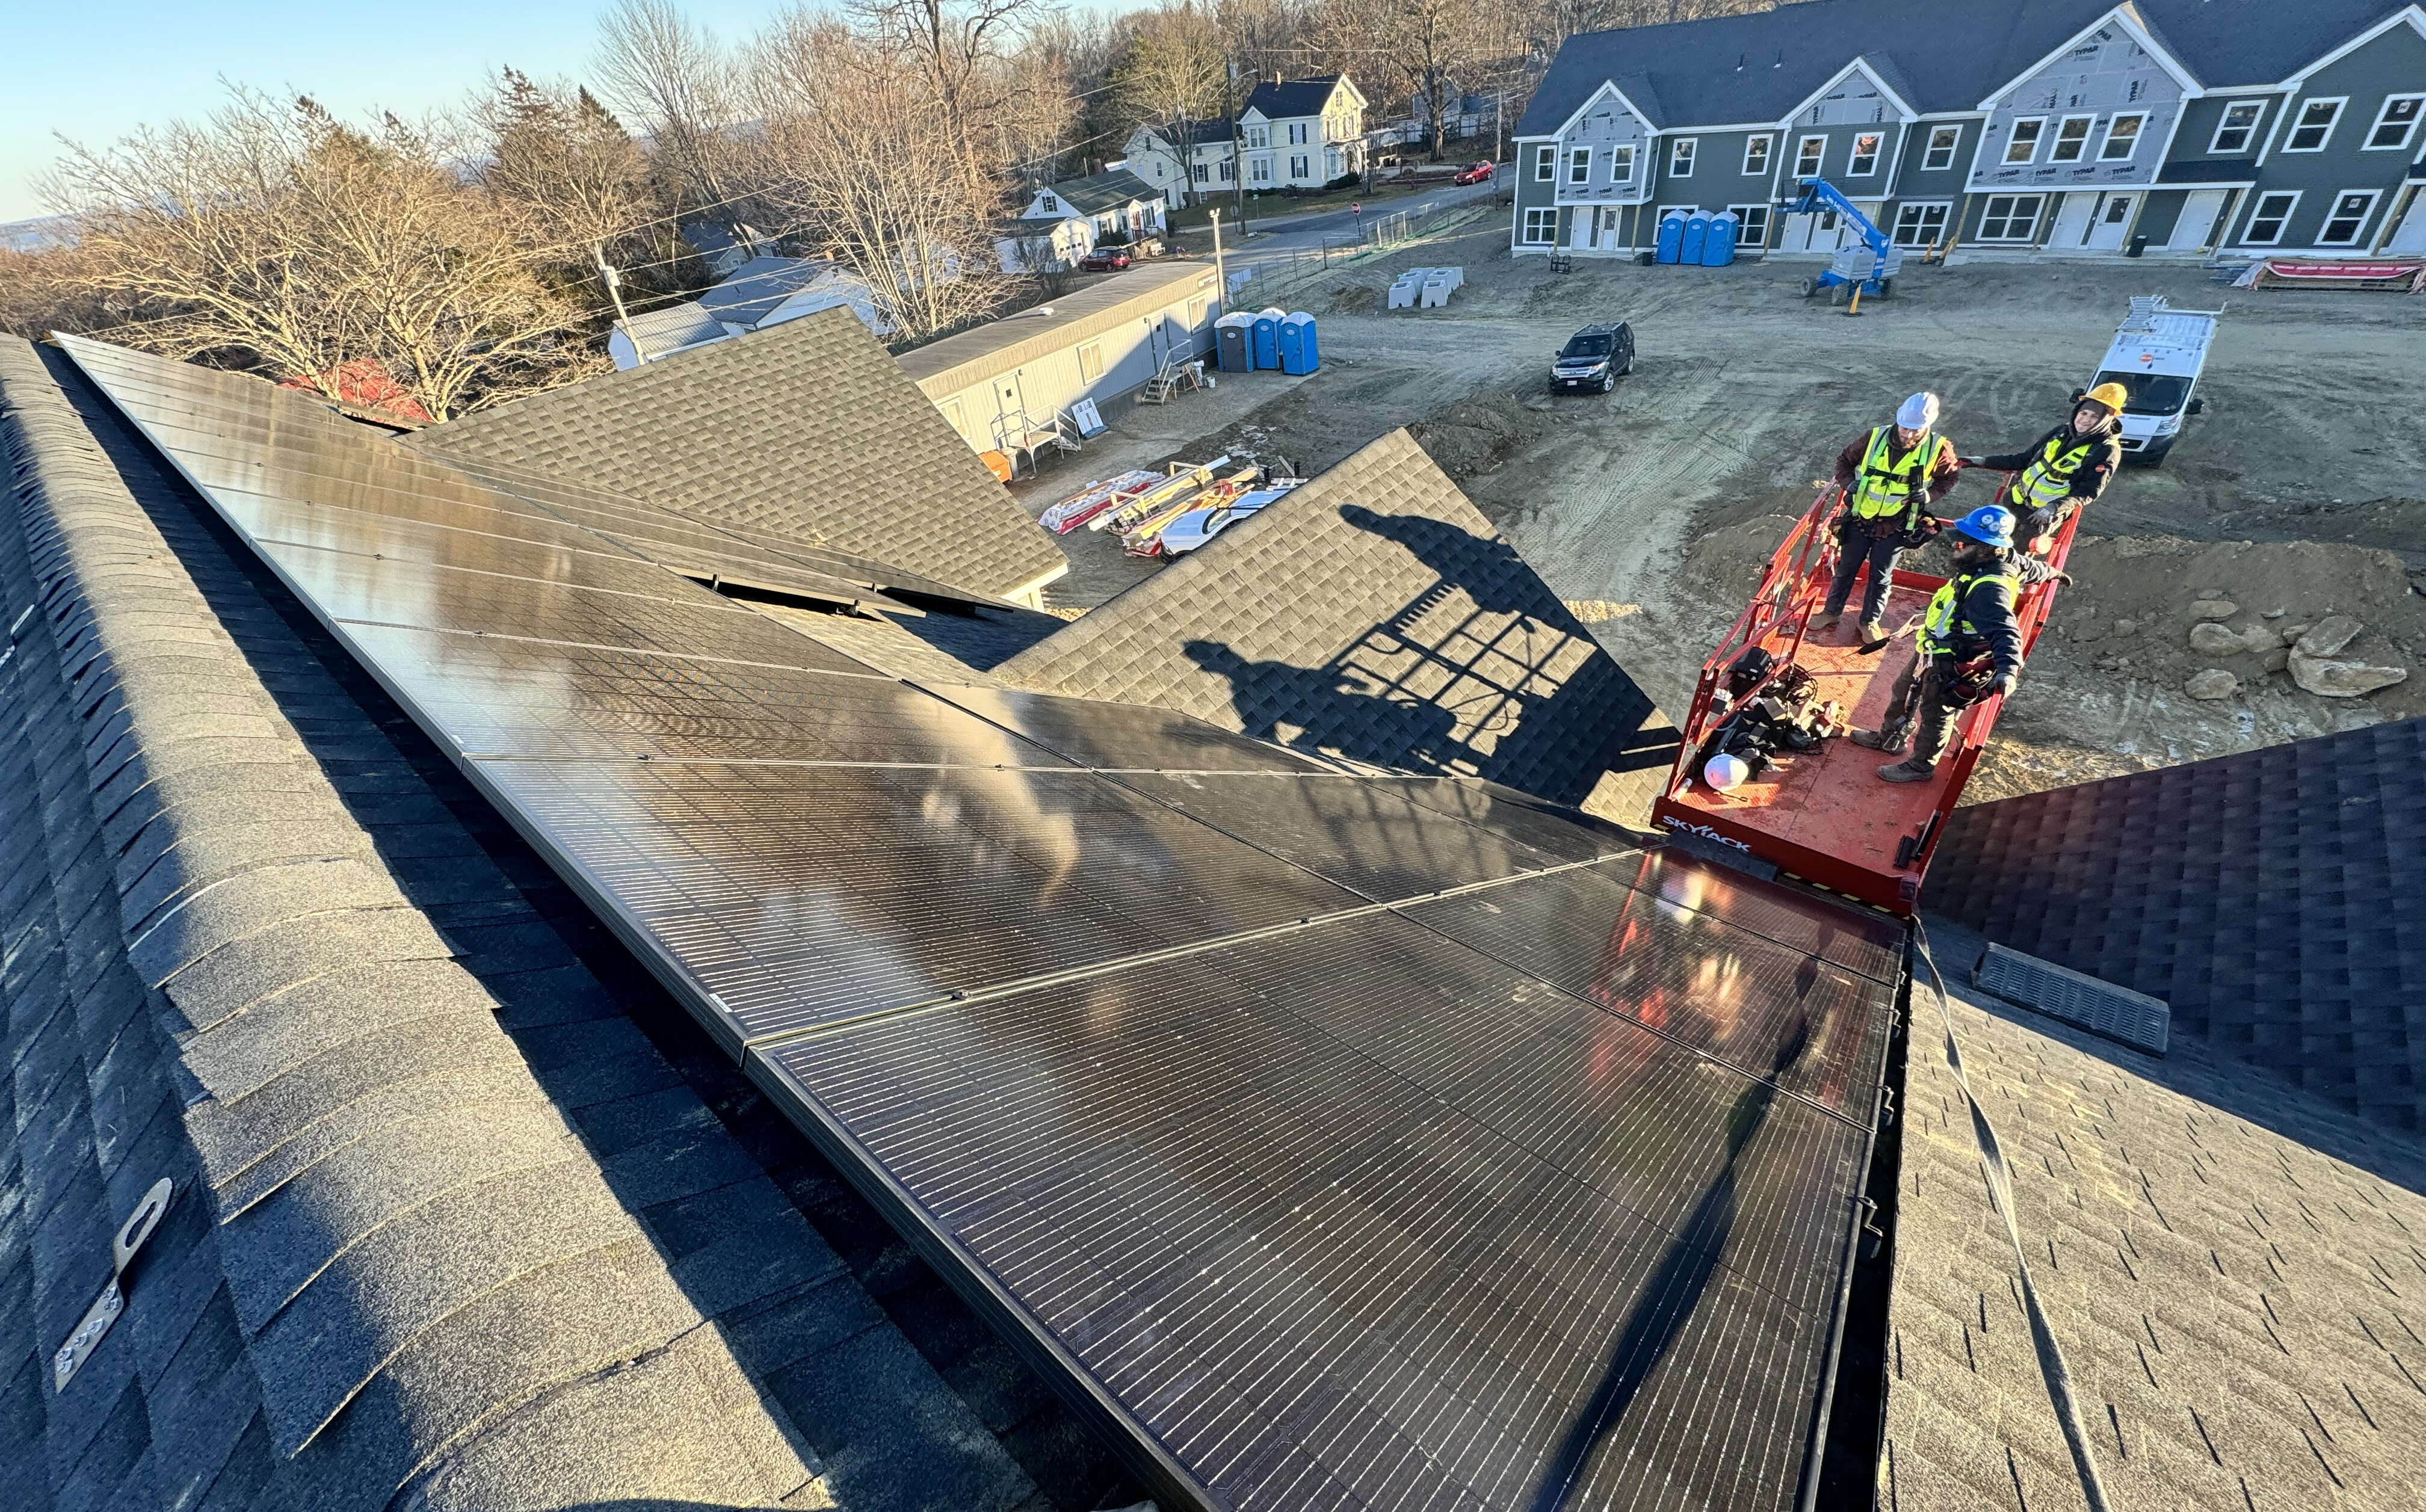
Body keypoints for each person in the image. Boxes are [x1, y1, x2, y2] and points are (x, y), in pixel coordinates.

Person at [1851, 505, 2026, 783]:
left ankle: (1921, 767)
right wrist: (2052, 572)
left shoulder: (1989, 589)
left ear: (1985, 548)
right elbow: (2029, 566)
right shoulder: (1992, 561)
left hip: (1951, 660)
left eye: (1962, 543)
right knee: (1903, 689)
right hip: (1930, 649)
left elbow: (2005, 631)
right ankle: (1887, 737)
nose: (1955, 547)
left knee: (1936, 714)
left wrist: (2009, 670)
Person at [1816, 392, 1962, 644]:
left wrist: (1928, 495)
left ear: (1927, 426)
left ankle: (1869, 621)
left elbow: (1949, 478)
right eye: (1905, 428)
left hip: (1897, 524)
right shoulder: (1874, 438)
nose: (1908, 435)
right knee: (1846, 568)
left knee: (1881, 575)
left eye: (1915, 430)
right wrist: (1849, 483)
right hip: (1861, 517)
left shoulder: (1938, 448)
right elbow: (1844, 462)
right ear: (1899, 420)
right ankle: (1831, 612)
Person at [1960, 383, 2125, 551]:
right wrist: (1981, 461)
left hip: (2039, 518)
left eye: (2094, 417)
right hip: (2015, 500)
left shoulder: (2106, 450)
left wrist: (2053, 508)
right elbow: (2024, 459)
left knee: (2013, 557)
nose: (2085, 420)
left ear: (2106, 419)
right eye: (2083, 413)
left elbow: (2088, 492)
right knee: (1984, 546)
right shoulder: (2061, 432)